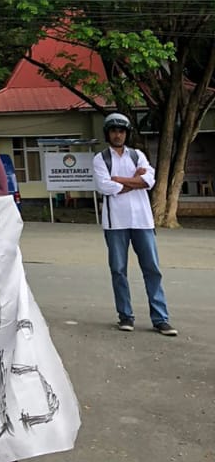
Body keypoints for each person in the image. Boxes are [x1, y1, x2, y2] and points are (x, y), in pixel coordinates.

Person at [93, 112, 177, 336]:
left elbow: (149, 180)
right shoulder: (101, 159)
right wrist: (134, 181)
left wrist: (119, 180)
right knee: (118, 270)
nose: (118, 135)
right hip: (115, 223)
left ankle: (160, 319)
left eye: (121, 131)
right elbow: (105, 186)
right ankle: (125, 316)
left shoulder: (137, 155)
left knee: (152, 269)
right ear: (108, 134)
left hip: (142, 221)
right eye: (114, 131)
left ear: (126, 133)